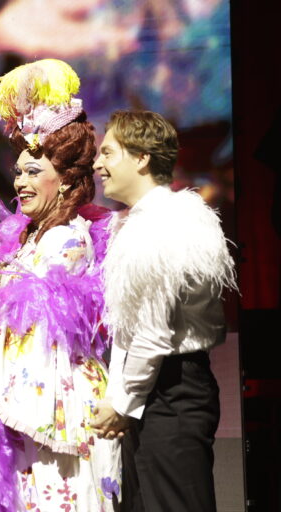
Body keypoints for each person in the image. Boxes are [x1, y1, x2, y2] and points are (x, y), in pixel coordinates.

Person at [0, 59, 122, 511]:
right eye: (18, 172)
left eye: (33, 171)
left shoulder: (68, 240)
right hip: (24, 413)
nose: (20, 182)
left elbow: (25, 322)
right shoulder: (29, 240)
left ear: (66, 180)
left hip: (57, 407)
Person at [91, 110, 236, 511]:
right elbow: (131, 326)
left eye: (108, 153)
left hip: (171, 390)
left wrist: (123, 402)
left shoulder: (166, 222)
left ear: (141, 158)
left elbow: (153, 332)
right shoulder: (141, 221)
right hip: (155, 389)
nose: (98, 164)